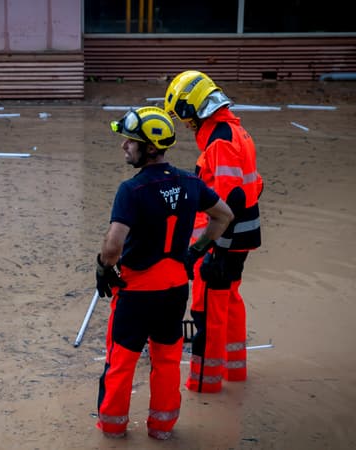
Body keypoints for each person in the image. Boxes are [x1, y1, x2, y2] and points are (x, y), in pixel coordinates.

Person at [95, 106, 234, 439]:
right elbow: (224, 215)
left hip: (136, 293)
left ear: (150, 148)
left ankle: (113, 431)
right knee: (168, 360)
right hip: (174, 291)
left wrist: (103, 267)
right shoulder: (190, 182)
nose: (124, 146)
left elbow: (113, 246)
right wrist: (196, 252)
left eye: (130, 141)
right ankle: (162, 429)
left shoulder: (132, 190)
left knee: (122, 362)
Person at [163, 70, 264, 394]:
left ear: (193, 110)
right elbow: (251, 188)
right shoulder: (236, 131)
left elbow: (227, 201)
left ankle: (204, 385)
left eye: (183, 116)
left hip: (223, 243)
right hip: (241, 239)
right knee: (230, 300)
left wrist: (209, 250)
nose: (184, 123)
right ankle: (234, 371)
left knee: (207, 309)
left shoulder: (219, 141)